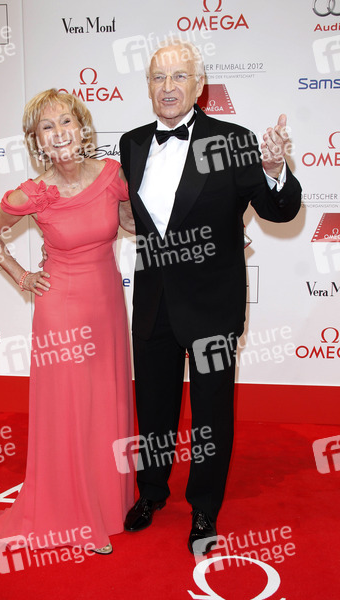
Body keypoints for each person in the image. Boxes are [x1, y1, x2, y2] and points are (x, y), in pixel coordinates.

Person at [119, 39, 302, 554]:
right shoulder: (132, 143)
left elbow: (279, 212)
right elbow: (131, 215)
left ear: (199, 86)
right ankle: (151, 492)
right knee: (153, 407)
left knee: (210, 415)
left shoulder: (233, 140)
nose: (168, 87)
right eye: (159, 77)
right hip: (152, 303)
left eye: (179, 76)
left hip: (212, 306)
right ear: (148, 86)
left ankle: (204, 507)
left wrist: (273, 170)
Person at [0, 89, 134, 555]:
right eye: (47, 127)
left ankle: (109, 502)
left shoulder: (112, 175)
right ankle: (80, 518)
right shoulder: (34, 193)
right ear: (37, 141)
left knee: (105, 402)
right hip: (61, 309)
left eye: (66, 121)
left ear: (82, 128)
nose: (59, 133)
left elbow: (131, 222)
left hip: (107, 303)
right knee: (71, 410)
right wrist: (22, 276)